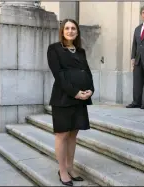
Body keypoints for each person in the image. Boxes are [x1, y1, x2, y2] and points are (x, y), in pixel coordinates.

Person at [47, 18, 94, 186]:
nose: (70, 31)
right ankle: (62, 170)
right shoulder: (54, 49)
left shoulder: (80, 51)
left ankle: (70, 167)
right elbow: (58, 74)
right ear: (62, 31)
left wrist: (90, 90)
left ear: (77, 31)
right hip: (63, 97)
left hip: (81, 98)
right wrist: (75, 93)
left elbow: (87, 72)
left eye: (73, 28)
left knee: (74, 133)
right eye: (67, 28)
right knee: (62, 134)